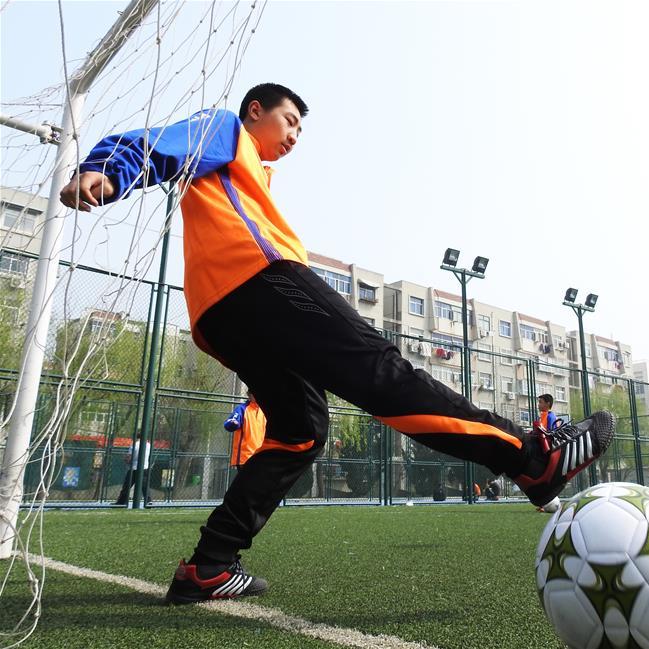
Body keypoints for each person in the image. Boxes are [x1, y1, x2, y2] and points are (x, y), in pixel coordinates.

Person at [59, 83, 617, 605]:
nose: (295, 136)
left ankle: (209, 564)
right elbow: (161, 145)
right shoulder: (227, 130)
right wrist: (105, 170)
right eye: (290, 120)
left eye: (300, 129)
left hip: (223, 316)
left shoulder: (250, 178)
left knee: (301, 431)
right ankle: (531, 457)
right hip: (261, 280)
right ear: (256, 110)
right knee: (381, 369)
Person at [225, 392, 266, 471]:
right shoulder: (242, 409)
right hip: (245, 458)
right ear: (249, 395)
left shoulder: (263, 411)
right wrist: (233, 423)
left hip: (260, 457)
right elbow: (228, 424)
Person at [114, 439, 152, 506]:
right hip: (145, 468)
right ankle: (148, 501)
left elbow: (129, 457)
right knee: (145, 486)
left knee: (127, 486)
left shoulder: (134, 444)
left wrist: (126, 459)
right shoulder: (148, 445)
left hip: (134, 468)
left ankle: (121, 501)